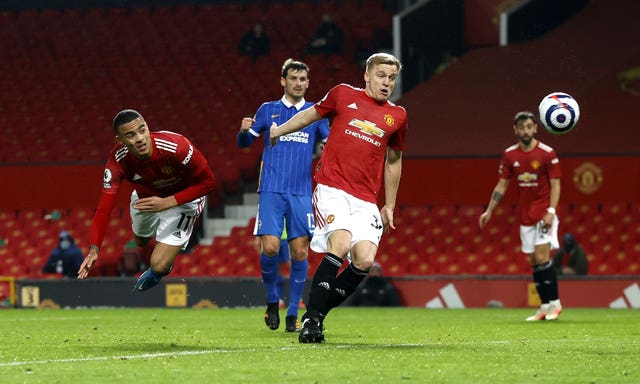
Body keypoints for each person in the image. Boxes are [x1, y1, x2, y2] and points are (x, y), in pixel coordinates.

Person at [270, 52, 408, 343]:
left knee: (365, 260)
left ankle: (315, 315)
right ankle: (311, 321)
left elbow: (394, 160)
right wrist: (280, 131)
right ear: (367, 75)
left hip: (366, 199)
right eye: (381, 75)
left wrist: (390, 204)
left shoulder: (397, 116)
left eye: (392, 78)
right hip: (332, 187)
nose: (386, 82)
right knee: (341, 244)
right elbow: (311, 114)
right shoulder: (343, 94)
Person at [77, 109, 217, 291]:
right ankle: (161, 255)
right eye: (131, 135)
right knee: (141, 242)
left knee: (158, 264)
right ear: (121, 141)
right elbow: (103, 210)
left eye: (142, 130)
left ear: (147, 127)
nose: (140, 138)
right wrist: (94, 249)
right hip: (147, 199)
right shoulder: (118, 161)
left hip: (184, 200)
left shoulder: (177, 147)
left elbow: (209, 182)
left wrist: (168, 202)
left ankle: (162, 268)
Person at [237, 59, 330, 332]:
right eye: (294, 78)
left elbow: (327, 143)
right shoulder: (269, 110)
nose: (298, 83)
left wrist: (326, 149)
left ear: (307, 83)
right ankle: (271, 301)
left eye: (303, 79)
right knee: (271, 248)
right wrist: (243, 131)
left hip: (301, 191)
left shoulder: (315, 113)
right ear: (283, 81)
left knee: (300, 252)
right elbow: (245, 143)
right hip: (271, 189)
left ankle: (292, 312)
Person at [478, 111, 563, 321]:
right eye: (521, 127)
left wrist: (551, 212)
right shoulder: (510, 155)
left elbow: (556, 184)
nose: (525, 130)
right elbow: (502, 185)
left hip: (544, 214)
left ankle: (555, 304)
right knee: (534, 261)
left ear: (536, 128)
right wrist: (489, 210)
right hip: (525, 216)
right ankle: (544, 306)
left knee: (543, 257)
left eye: (529, 126)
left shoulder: (547, 153)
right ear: (515, 130)